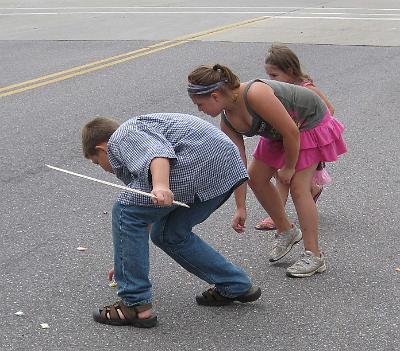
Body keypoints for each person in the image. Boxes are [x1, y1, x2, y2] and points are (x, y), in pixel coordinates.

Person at [81, 113, 261, 328]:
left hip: (197, 165)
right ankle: (236, 285)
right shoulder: (137, 136)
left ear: (102, 149)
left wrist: (160, 186)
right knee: (168, 234)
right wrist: (127, 261)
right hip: (225, 171)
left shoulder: (123, 136)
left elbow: (158, 154)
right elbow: (143, 219)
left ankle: (135, 305)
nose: (101, 167)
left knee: (125, 210)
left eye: (96, 162)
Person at [187, 64, 347, 278]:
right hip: (278, 132)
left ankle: (314, 255)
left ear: (215, 96)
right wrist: (241, 207)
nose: (200, 110)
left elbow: (291, 131)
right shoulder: (228, 118)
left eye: (200, 104)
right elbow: (238, 163)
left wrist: (289, 168)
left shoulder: (255, 94)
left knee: (299, 188)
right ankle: (287, 230)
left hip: (306, 124)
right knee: (255, 177)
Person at [255, 44, 335, 231]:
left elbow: (328, 110)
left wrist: (307, 128)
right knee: (280, 174)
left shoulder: (307, 89)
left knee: (288, 178)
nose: (271, 80)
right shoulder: (279, 90)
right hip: (286, 140)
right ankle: (283, 210)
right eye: (269, 76)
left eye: (274, 76)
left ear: (290, 71)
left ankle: (278, 216)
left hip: (307, 142)